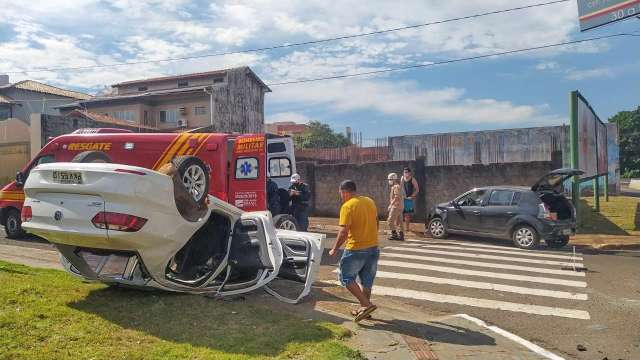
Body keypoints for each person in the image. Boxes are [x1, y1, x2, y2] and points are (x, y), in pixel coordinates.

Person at [329, 180, 379, 322]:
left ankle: (366, 304)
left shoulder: (347, 206)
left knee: (346, 277)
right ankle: (365, 311)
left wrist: (334, 248)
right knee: (367, 280)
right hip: (373, 247)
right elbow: (376, 222)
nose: (341, 196)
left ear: (345, 192)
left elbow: (344, 231)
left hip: (356, 248)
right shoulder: (369, 201)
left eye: (341, 193)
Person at [401, 167, 419, 240]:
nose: (405, 173)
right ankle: (399, 228)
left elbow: (417, 189)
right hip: (402, 198)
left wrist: (412, 196)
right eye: (404, 172)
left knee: (407, 214)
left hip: (408, 199)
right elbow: (401, 187)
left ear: (409, 173)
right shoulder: (402, 178)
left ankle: (407, 229)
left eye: (407, 172)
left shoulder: (413, 179)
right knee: (399, 213)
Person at [386, 173, 404, 241]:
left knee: (390, 221)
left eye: (390, 179)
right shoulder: (397, 186)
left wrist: (391, 205)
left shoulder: (396, 186)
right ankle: (401, 235)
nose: (389, 181)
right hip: (400, 206)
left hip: (396, 206)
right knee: (400, 221)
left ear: (394, 179)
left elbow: (397, 197)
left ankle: (394, 234)